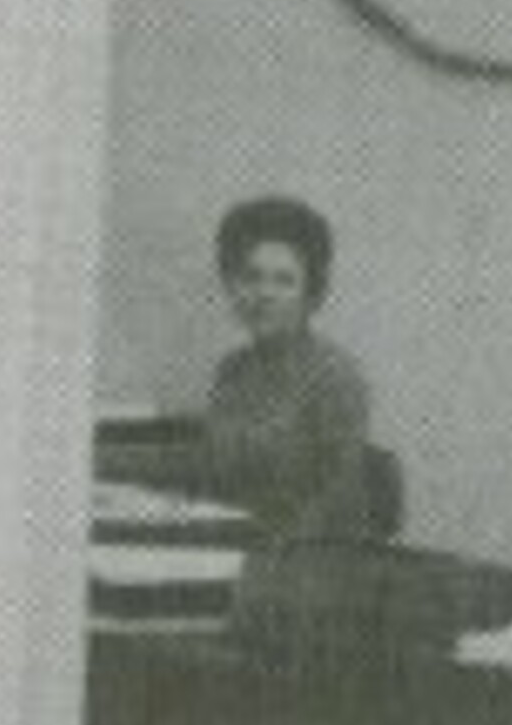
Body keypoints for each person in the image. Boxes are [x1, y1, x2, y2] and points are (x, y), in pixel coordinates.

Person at [113, 195, 380, 542]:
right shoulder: (233, 370)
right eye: (251, 277)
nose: (264, 293)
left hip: (304, 566)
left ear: (311, 293)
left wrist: (264, 554)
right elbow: (209, 465)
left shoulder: (336, 377)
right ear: (232, 285)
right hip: (229, 546)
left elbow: (338, 507)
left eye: (284, 281)